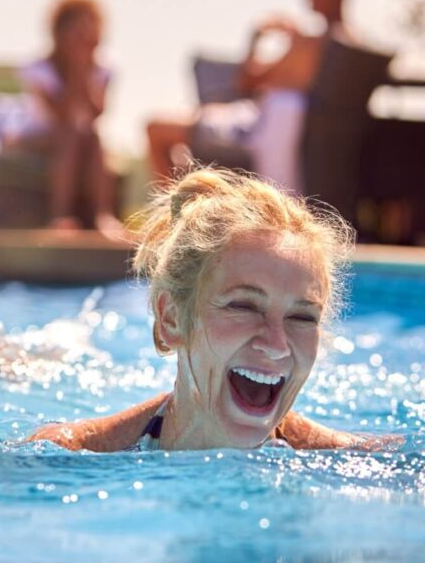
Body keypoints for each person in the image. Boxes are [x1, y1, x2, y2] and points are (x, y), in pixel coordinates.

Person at [28, 167, 382, 452]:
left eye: (302, 317)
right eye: (244, 305)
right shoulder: (72, 455)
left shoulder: (355, 465)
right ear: (172, 319)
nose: (276, 344)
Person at [146, 0, 354, 192]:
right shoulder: (356, 44)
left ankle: (176, 217)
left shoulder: (309, 44)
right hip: (305, 143)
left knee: (155, 128)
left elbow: (247, 81)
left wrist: (258, 34)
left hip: (255, 131)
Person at [15, 0, 123, 234]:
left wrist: (85, 69)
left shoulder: (104, 67)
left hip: (80, 138)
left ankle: (103, 216)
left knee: (91, 136)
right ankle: (60, 216)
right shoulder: (38, 68)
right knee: (72, 135)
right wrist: (76, 68)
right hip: (35, 137)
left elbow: (97, 113)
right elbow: (59, 116)